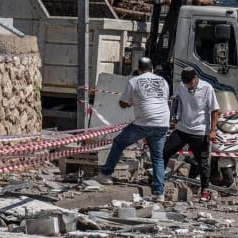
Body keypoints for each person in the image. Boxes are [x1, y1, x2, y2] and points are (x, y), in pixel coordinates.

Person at [93, 57, 170, 202]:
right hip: (162, 122)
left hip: (144, 122)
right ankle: (159, 193)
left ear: (139, 69)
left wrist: (128, 104)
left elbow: (124, 103)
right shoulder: (162, 81)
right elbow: (162, 100)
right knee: (158, 157)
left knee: (119, 143)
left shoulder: (134, 81)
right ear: (152, 68)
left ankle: (106, 174)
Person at [162, 67, 219, 202]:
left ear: (195, 79)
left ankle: (205, 189)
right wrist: (174, 118)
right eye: (185, 83)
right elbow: (177, 102)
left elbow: (215, 110)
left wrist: (213, 130)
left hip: (199, 131)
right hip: (182, 128)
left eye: (190, 83)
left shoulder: (207, 88)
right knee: (164, 151)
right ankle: (158, 181)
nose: (188, 85)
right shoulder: (182, 86)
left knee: (202, 162)